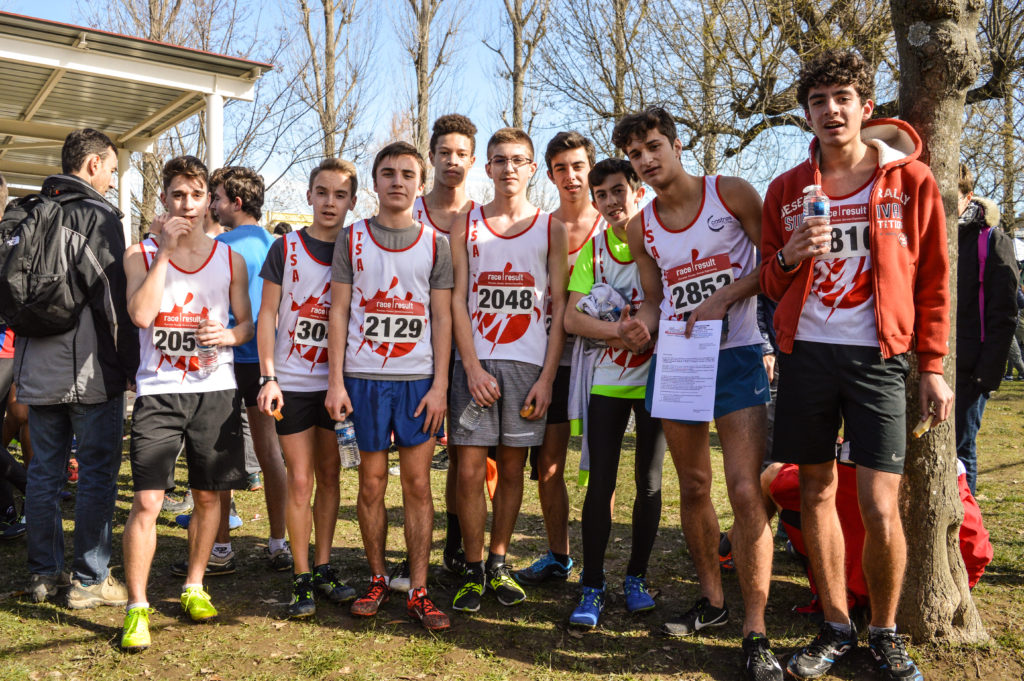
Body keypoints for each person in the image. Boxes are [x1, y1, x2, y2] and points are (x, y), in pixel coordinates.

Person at [760, 50, 952, 681]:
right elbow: (768, 279)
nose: (831, 110)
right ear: (805, 115)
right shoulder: (787, 190)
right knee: (815, 491)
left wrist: (932, 364)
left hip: (881, 358)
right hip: (807, 355)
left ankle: (887, 632)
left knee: (878, 503)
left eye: (842, 97)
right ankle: (836, 625)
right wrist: (789, 254)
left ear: (866, 108)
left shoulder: (910, 181)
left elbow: (933, 279)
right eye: (818, 101)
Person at [612, 107, 779, 680]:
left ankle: (756, 630)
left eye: (654, 146)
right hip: (678, 360)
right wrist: (641, 326)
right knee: (694, 484)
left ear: (677, 145)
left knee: (744, 488)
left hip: (734, 358)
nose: (647, 160)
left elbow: (774, 265)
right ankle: (713, 602)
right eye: (636, 155)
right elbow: (655, 300)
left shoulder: (730, 193)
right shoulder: (640, 227)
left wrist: (725, 298)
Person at [120, 155, 253, 652]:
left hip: (213, 389)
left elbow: (247, 324)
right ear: (164, 200)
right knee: (148, 501)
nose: (187, 204)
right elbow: (141, 314)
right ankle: (138, 607)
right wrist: (164, 253)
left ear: (208, 202)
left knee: (209, 497)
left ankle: (195, 583)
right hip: (158, 391)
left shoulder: (229, 258)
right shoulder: (141, 252)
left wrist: (229, 333)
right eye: (178, 195)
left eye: (196, 195)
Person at [325, 142, 452, 631]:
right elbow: (338, 312)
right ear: (373, 184)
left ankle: (419, 588)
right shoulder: (352, 239)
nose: (397, 181)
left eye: (406, 174)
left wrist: (440, 384)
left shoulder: (435, 242)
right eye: (387, 173)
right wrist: (335, 382)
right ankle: (377, 578)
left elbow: (441, 316)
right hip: (363, 380)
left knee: (418, 485)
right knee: (372, 483)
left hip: (417, 380)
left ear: (419, 184)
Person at [14, 129, 138, 607]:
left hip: (35, 364)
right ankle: (90, 579)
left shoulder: (30, 210)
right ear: (91, 165)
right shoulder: (96, 215)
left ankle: (44, 575)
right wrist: (128, 363)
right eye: (110, 168)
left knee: (43, 473)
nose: (111, 177)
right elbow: (113, 300)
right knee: (97, 473)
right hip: (88, 370)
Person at [448, 127, 568, 611]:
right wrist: (471, 367)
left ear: (532, 169)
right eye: (500, 160)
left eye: (519, 160)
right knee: (471, 467)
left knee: (515, 468)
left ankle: (499, 563)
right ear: (488, 167)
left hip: (528, 365)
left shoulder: (549, 228)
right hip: (473, 366)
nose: (509, 168)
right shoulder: (466, 224)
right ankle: (472, 568)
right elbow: (456, 299)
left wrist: (547, 377)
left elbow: (559, 308)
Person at [562, 158, 665, 627]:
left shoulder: (660, 236)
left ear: (637, 191)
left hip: (656, 379)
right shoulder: (593, 251)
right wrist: (618, 332)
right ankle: (593, 585)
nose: (610, 202)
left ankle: (637, 578)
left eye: (618, 191)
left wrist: (645, 325)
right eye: (600, 194)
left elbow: (665, 297)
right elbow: (570, 319)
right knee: (600, 482)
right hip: (606, 380)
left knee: (648, 482)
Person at [258, 158, 359, 618]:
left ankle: (322, 567)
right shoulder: (286, 247)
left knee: (332, 476)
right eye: (322, 192)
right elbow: (267, 316)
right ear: (309, 196)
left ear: (353, 202)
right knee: (300, 479)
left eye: (340, 195)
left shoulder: (359, 248)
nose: (330, 202)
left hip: (339, 386)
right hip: (294, 385)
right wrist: (268, 374)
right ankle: (300, 577)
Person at [514, 131, 604, 587]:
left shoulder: (611, 225)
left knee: (599, 469)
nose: (571, 176)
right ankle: (558, 554)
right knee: (548, 466)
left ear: (590, 168)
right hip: (548, 360)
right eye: (561, 168)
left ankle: (597, 566)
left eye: (578, 167)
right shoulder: (540, 226)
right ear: (548, 175)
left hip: (599, 361)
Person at [398, 113, 478, 585]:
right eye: (444, 152)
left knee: (466, 457)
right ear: (431, 158)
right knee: (418, 461)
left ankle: (456, 546)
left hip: (468, 348)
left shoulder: (480, 217)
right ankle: (415, 553)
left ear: (473, 160)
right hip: (414, 353)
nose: (452, 161)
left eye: (461, 154)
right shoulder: (411, 212)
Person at [210, 166, 291, 570]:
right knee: (270, 450)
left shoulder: (220, 245)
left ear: (236, 203)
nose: (212, 206)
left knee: (223, 451)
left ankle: (221, 547)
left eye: (218, 199)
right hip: (266, 362)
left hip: (227, 357)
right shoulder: (279, 244)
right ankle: (279, 542)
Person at [954, 163, 1019, 494]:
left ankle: (965, 530)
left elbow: (1005, 316)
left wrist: (985, 375)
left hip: (971, 368)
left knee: (960, 450)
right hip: (928, 363)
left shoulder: (992, 241)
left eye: (950, 197)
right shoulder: (924, 235)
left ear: (967, 197)